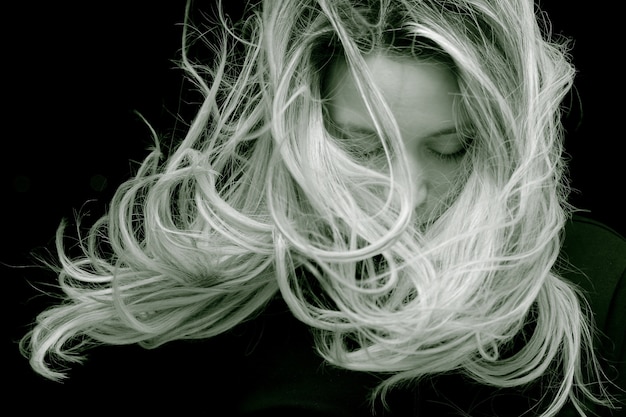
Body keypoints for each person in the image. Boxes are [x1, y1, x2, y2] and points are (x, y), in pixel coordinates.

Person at [19, 0, 624, 415]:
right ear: (305, 124)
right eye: (363, 148)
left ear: (501, 142)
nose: (403, 196)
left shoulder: (599, 287)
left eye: (450, 149)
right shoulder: (204, 317)